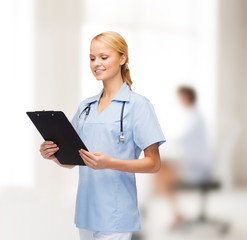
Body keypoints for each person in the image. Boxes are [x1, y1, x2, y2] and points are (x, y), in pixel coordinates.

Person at [39, 31, 166, 240]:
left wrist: (110, 163)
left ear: (122, 58)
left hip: (116, 213)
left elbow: (154, 163)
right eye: (92, 58)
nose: (96, 63)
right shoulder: (86, 107)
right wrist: (54, 155)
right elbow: (73, 161)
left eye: (104, 57)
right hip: (87, 211)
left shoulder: (138, 106)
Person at [153, 86, 213, 229]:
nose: (179, 100)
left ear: (187, 97)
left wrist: (157, 140)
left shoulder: (195, 117)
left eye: (180, 97)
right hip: (194, 163)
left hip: (198, 168)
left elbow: (181, 138)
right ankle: (176, 214)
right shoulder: (192, 115)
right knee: (160, 171)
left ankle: (176, 214)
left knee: (160, 171)